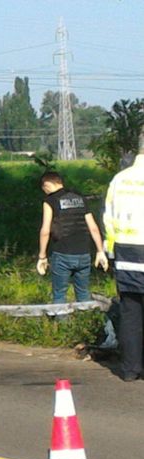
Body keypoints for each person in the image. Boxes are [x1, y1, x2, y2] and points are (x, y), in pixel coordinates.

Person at [104, 134, 144, 381]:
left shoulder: (120, 180)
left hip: (126, 253)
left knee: (130, 312)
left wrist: (111, 254)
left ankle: (130, 369)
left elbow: (108, 217)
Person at [36, 171, 108, 304]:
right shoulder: (80, 198)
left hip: (62, 254)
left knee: (59, 295)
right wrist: (100, 251)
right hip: (84, 254)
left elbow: (45, 230)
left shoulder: (50, 201)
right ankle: (85, 321)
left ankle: (62, 324)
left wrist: (42, 256)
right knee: (83, 294)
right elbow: (93, 227)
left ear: (46, 185)